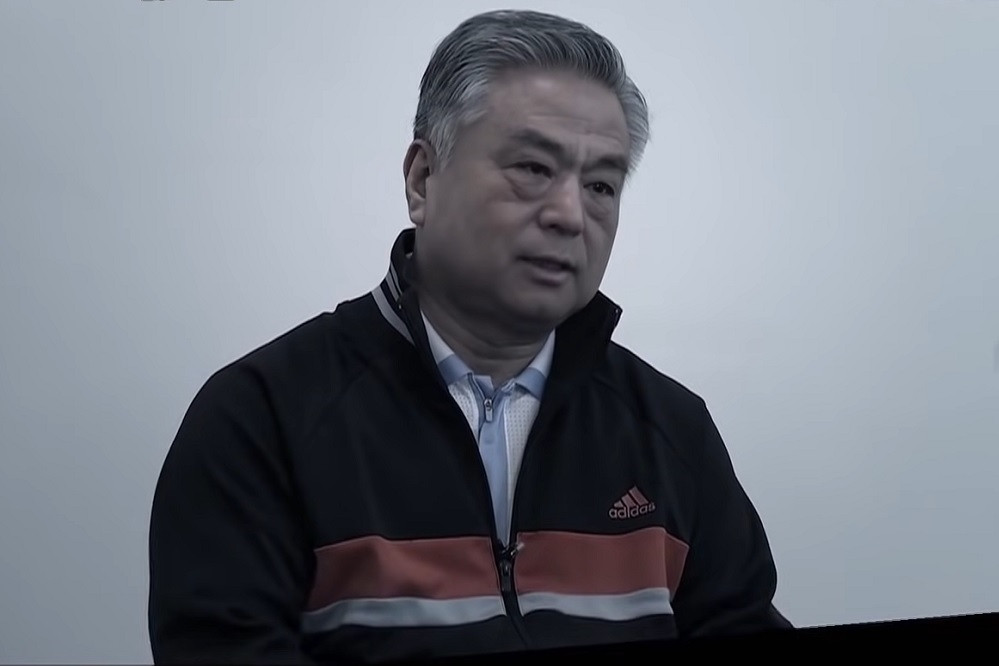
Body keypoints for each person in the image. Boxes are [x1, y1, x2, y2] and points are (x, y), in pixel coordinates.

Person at [148, 8, 792, 664]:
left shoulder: (672, 432)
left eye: (601, 184)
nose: (570, 214)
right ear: (422, 180)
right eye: (532, 168)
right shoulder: (261, 419)